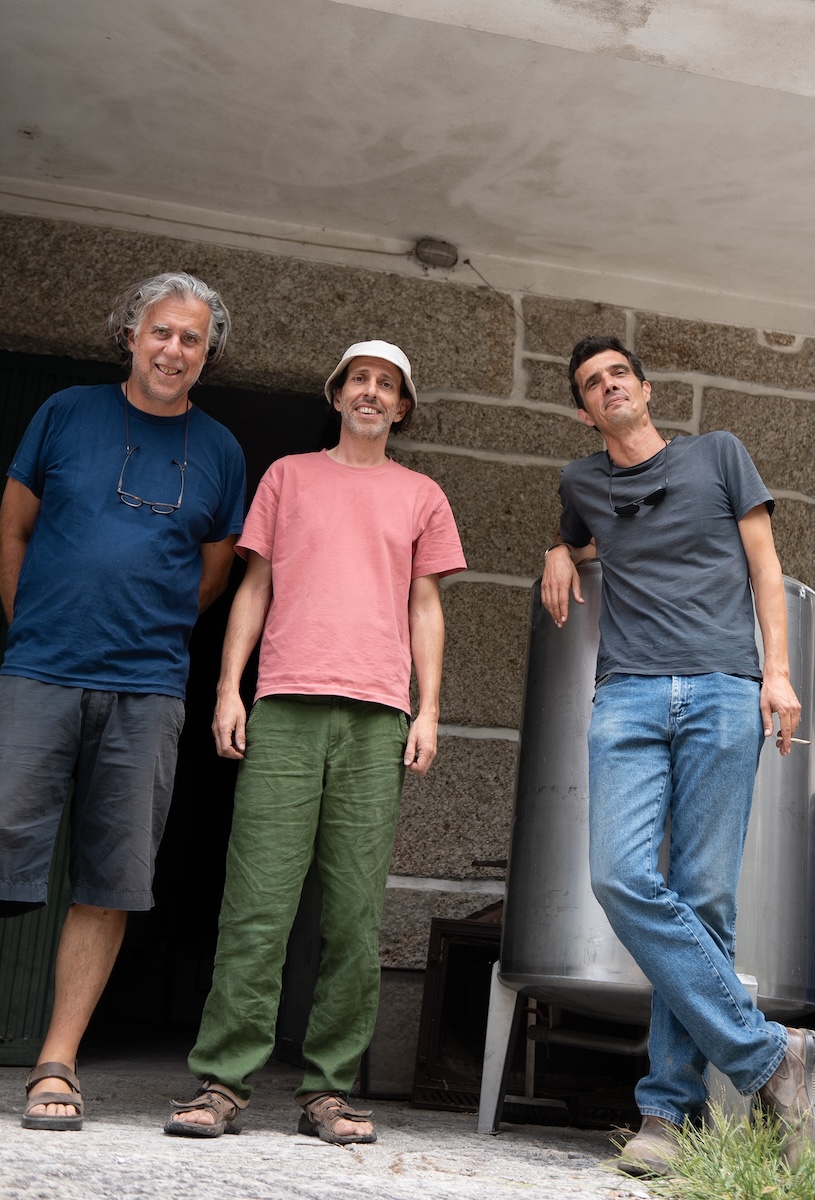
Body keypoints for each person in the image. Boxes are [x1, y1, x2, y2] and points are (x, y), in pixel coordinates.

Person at [165, 340, 466, 1144]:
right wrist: (228, 689)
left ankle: (328, 1090)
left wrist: (428, 710)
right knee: (256, 902)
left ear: (402, 407)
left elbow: (426, 605)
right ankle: (222, 1081)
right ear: (336, 395)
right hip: (286, 705)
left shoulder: (421, 494)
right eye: (358, 379)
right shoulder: (287, 477)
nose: (370, 392)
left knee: (354, 912)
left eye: (386, 384)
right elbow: (253, 585)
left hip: (375, 715)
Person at [540, 335, 813, 1175]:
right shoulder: (580, 483)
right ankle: (774, 1057)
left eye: (618, 374)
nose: (609, 387)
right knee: (619, 876)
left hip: (722, 688)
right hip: (625, 695)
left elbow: (765, 567)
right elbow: (582, 539)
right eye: (592, 384)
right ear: (583, 412)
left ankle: (666, 1112)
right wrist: (557, 548)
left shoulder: (718, 455)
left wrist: (777, 674)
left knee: (704, 900)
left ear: (646, 388)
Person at [0, 272, 246, 1131]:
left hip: (147, 688)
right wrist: (35, 624)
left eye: (191, 339)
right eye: (160, 332)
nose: (173, 349)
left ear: (207, 354)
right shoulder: (65, 412)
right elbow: (14, 526)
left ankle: (55, 1062)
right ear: (131, 335)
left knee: (110, 876)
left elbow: (213, 572)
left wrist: (145, 627)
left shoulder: (221, 450)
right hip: (41, 670)